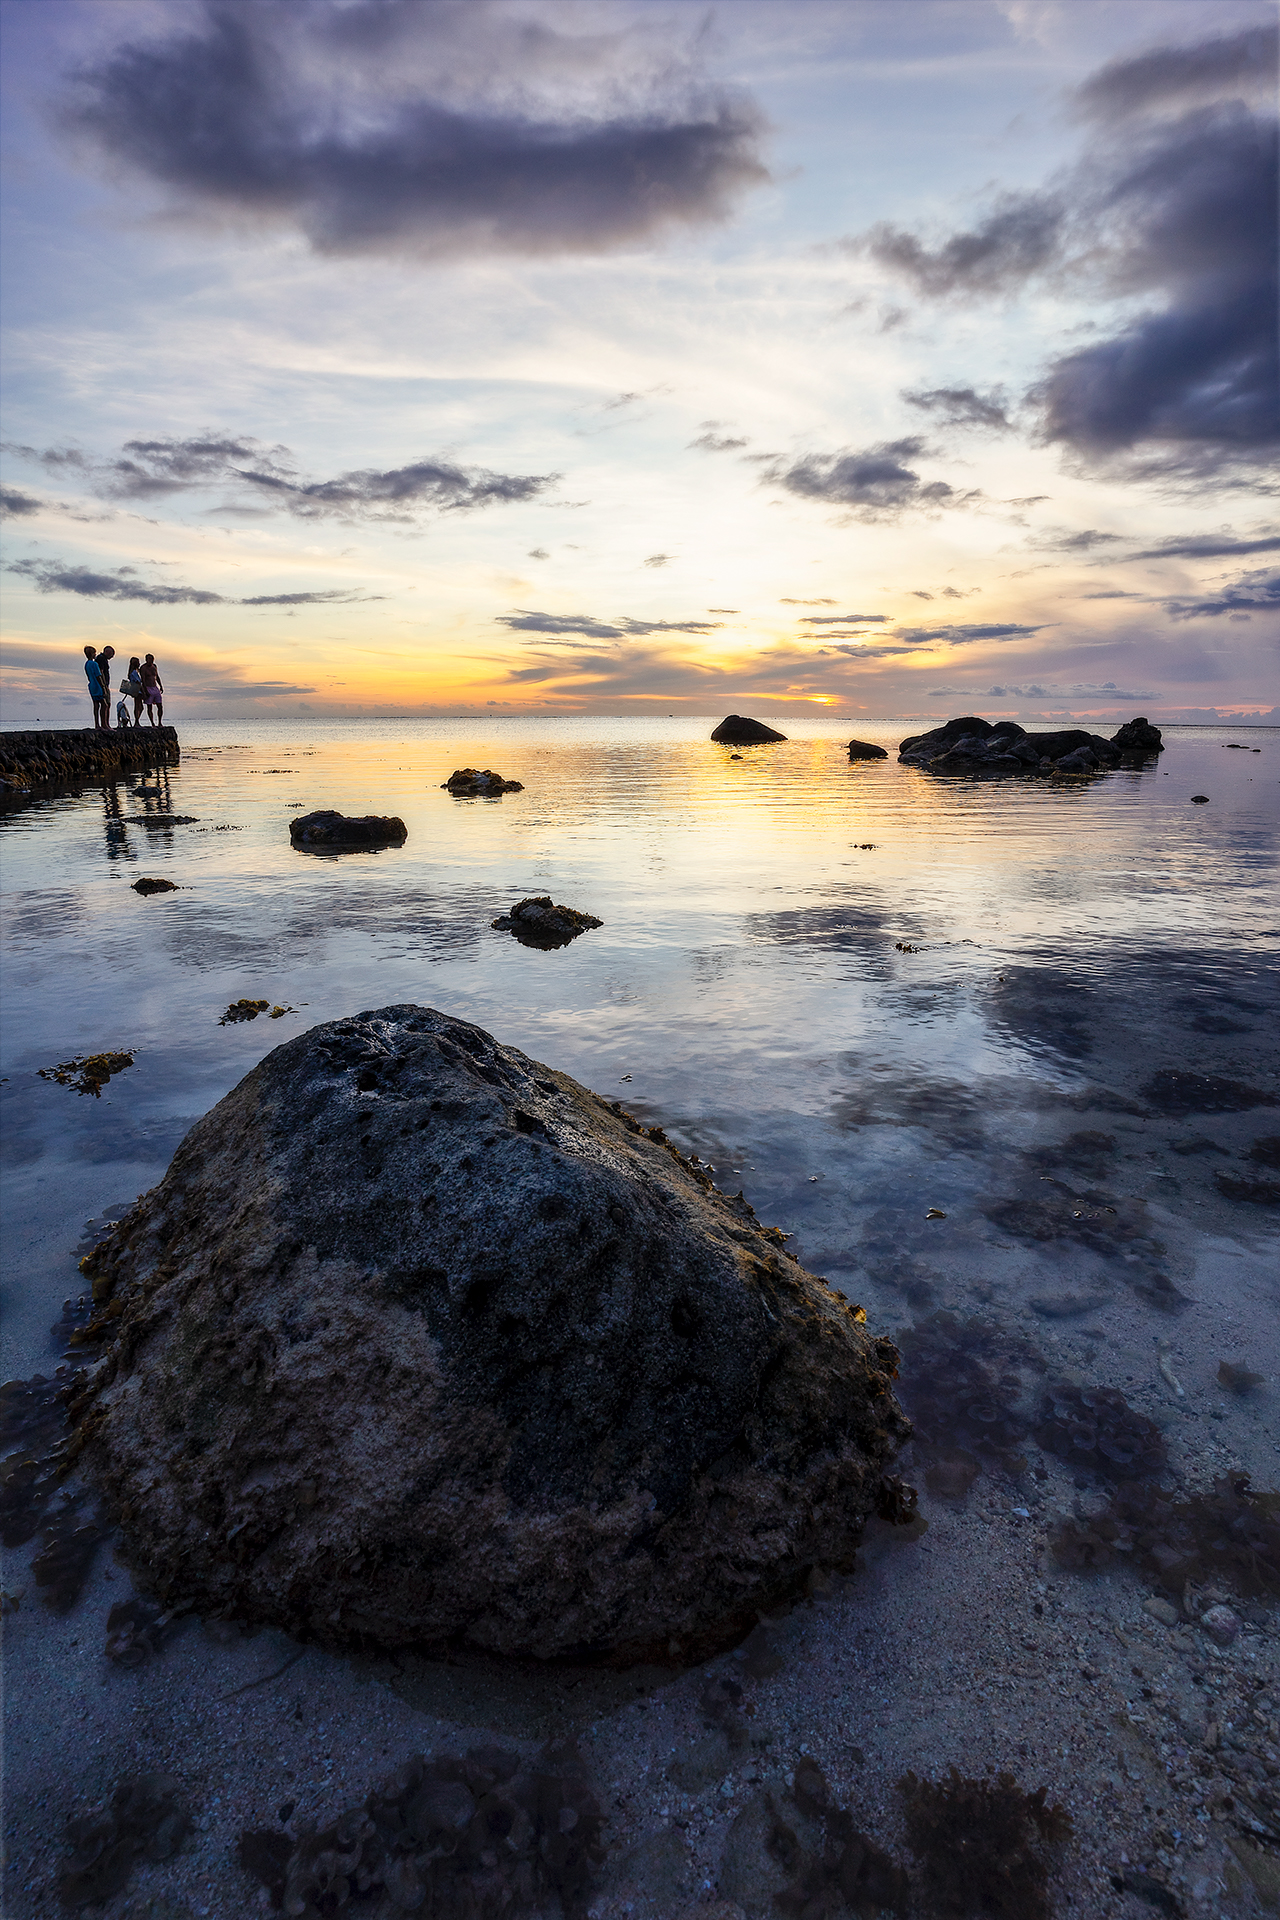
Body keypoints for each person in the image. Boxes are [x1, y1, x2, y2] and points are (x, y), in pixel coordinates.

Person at [83, 646, 106, 729]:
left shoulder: (87, 664)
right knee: (104, 704)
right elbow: (98, 676)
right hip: (97, 685)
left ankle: (97, 724)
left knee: (96, 705)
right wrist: (103, 686)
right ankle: (104, 724)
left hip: (91, 685)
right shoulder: (94, 664)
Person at [140, 653, 164, 725]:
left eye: (152, 660)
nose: (151, 661)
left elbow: (157, 677)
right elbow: (143, 680)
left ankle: (159, 722)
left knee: (160, 706)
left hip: (155, 687)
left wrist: (161, 686)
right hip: (148, 687)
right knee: (149, 707)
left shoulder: (154, 666)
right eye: (149, 659)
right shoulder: (143, 668)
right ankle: (152, 723)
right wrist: (145, 690)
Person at [96, 646, 116, 729]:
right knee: (106, 704)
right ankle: (105, 724)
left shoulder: (102, 659)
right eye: (111, 654)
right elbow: (101, 672)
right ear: (107, 652)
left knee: (106, 704)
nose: (112, 657)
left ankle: (105, 724)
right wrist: (104, 685)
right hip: (103, 685)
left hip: (104, 685)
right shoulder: (101, 659)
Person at [126, 656, 145, 725]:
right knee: (137, 706)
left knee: (140, 707)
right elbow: (138, 682)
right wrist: (143, 692)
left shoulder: (133, 672)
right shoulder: (134, 672)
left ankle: (137, 721)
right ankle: (137, 721)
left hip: (136, 691)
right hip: (138, 691)